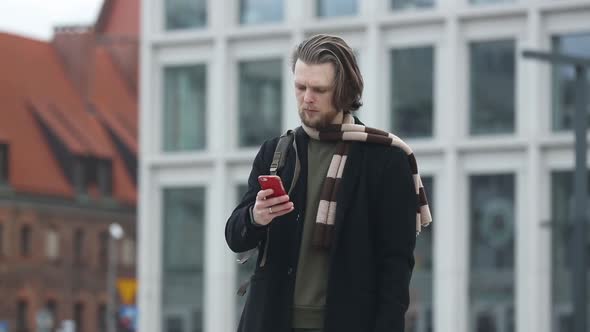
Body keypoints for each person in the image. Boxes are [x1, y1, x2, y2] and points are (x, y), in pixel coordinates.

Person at [225, 34, 431, 332]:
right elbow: (235, 237)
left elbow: (396, 268)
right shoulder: (277, 153)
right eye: (300, 87)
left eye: (319, 89)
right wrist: (255, 216)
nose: (307, 98)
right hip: (270, 320)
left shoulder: (386, 160)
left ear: (344, 91)